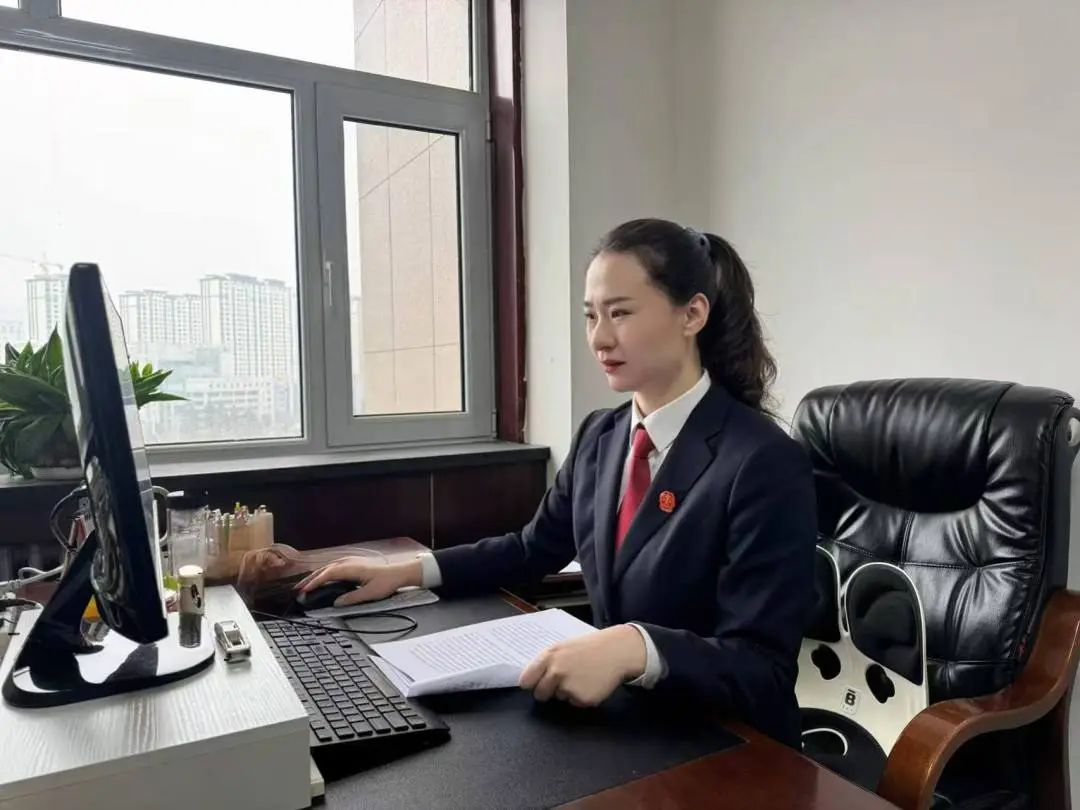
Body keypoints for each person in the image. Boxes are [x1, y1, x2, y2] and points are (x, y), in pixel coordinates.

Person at [297, 218, 817, 745]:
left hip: (727, 744)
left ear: (692, 314)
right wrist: (408, 571)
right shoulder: (601, 435)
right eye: (591, 315)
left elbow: (763, 669)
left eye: (620, 313)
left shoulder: (764, 462)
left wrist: (636, 647)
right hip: (627, 724)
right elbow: (532, 548)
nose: (600, 338)